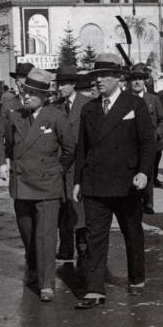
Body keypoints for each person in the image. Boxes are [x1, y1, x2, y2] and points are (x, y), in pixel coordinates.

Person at [73, 54, 155, 309]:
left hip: (127, 183)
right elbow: (82, 149)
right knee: (95, 236)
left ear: (118, 78)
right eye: (95, 77)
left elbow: (147, 142)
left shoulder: (134, 105)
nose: (98, 81)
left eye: (103, 76)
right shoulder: (89, 109)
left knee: (132, 232)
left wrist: (143, 172)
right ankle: (95, 288)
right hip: (96, 183)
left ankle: (136, 277)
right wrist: (77, 181)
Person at [0, 68, 72, 302]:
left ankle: (46, 283)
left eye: (32, 92)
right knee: (28, 234)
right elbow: (5, 142)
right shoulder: (15, 115)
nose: (26, 96)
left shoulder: (56, 116)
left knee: (46, 236)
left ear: (44, 95)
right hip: (22, 184)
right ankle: (34, 266)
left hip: (47, 185)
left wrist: (55, 169)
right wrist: (3, 163)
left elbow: (70, 148)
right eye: (25, 91)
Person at [53, 65, 90, 263]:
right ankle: (65, 247)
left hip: (79, 164)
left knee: (79, 206)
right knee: (63, 207)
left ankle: (83, 245)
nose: (60, 87)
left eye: (64, 83)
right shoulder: (55, 107)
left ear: (73, 84)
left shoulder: (87, 104)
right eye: (59, 83)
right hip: (60, 165)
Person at [127, 63, 163, 215]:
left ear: (145, 82)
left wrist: (156, 134)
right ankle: (134, 202)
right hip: (130, 143)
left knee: (147, 172)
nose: (137, 82)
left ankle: (148, 203)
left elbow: (162, 119)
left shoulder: (153, 99)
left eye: (140, 79)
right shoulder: (126, 99)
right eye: (134, 79)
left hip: (149, 144)